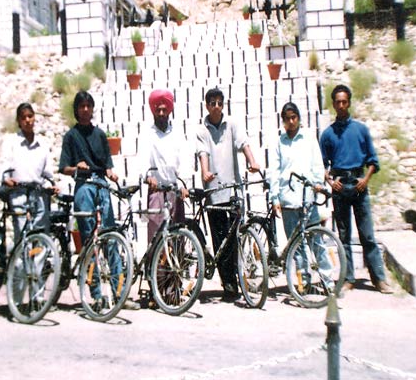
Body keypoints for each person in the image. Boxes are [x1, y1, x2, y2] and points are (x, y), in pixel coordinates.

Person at [59, 91, 137, 310]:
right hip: (83, 186)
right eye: (81, 106)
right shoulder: (71, 136)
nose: (85, 110)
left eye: (88, 106)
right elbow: (64, 168)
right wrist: (77, 168)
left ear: (92, 109)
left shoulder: (100, 135)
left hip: (101, 185)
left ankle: (120, 293)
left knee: (110, 238)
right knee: (89, 241)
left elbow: (107, 164)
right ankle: (95, 296)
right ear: (76, 110)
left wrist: (111, 173)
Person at [319, 84, 393, 294]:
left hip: (359, 185)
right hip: (340, 187)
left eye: (344, 101)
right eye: (337, 102)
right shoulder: (327, 134)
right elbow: (322, 165)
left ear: (349, 102)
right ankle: (348, 278)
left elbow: (373, 161)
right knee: (343, 235)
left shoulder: (361, 129)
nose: (341, 105)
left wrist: (365, 179)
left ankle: (379, 279)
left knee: (367, 234)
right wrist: (330, 181)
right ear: (333, 104)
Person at [196, 87, 261, 302]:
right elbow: (202, 152)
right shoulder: (202, 130)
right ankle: (228, 284)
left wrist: (252, 161)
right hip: (213, 191)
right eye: (212, 103)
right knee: (219, 238)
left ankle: (236, 278)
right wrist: (205, 171)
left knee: (233, 237)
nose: (216, 107)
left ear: (223, 105)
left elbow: (243, 143)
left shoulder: (232, 124)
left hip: (232, 190)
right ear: (206, 105)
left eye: (219, 103)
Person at [268, 102, 333, 285]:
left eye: (293, 117)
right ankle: (303, 281)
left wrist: (317, 184)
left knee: (316, 241)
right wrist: (274, 198)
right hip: (287, 198)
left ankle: (327, 281)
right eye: (287, 119)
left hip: (307, 198)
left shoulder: (308, 138)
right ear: (283, 121)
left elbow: (317, 164)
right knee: (296, 245)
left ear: (298, 118)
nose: (291, 121)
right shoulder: (279, 142)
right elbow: (274, 171)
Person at [139, 89, 189, 243]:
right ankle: (155, 268)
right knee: (157, 239)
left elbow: (184, 160)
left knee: (178, 237)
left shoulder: (177, 133)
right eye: (158, 109)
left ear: (169, 111)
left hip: (175, 190)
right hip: (157, 191)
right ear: (153, 111)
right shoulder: (147, 134)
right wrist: (148, 177)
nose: (161, 113)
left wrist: (183, 184)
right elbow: (142, 160)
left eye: (164, 110)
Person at [0, 102, 56, 234]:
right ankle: (22, 255)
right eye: (23, 118)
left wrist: (50, 185)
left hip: (39, 194)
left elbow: (47, 173)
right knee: (22, 234)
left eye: (30, 116)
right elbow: (4, 166)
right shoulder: (11, 142)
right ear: (18, 121)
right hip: (19, 193)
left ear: (34, 118)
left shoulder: (42, 145)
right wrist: (6, 179)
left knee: (40, 234)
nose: (27, 120)